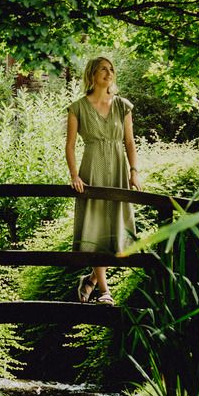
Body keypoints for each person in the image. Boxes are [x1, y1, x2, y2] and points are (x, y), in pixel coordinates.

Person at [65, 56, 140, 305]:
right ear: (92, 75)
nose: (109, 73)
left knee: (115, 229)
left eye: (111, 69)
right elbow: (70, 145)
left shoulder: (122, 106)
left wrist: (134, 171)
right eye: (103, 69)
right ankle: (105, 291)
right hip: (92, 170)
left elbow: (129, 142)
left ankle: (92, 280)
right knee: (96, 227)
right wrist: (75, 175)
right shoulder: (78, 107)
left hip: (118, 170)